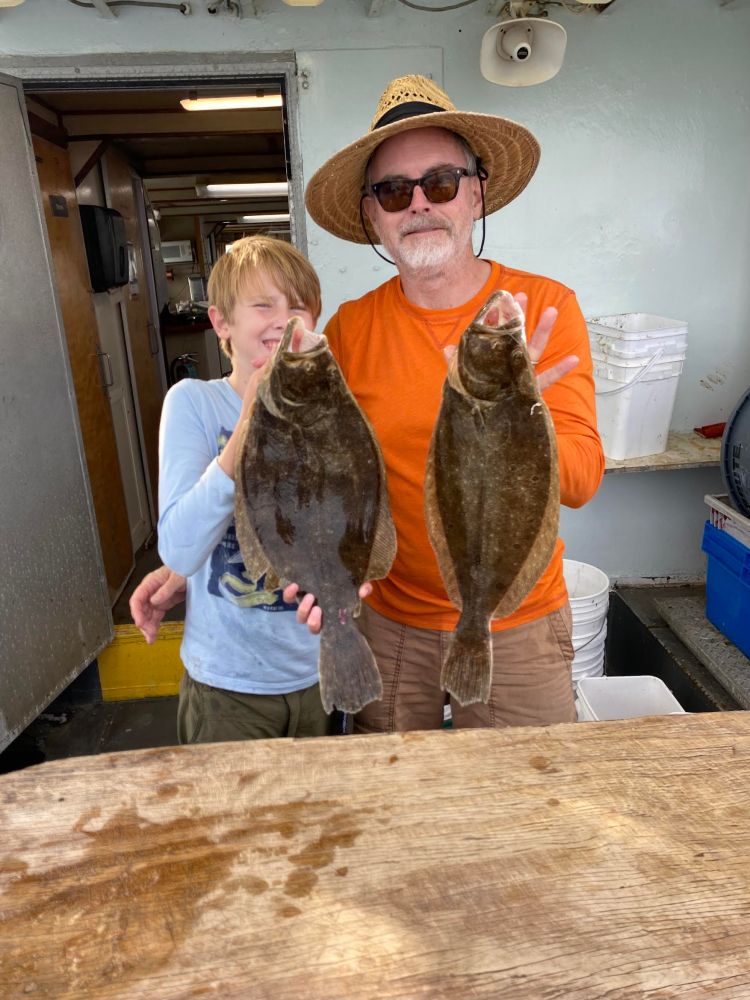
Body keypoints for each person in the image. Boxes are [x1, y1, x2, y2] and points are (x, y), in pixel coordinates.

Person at [133, 75, 604, 735]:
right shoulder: (350, 331)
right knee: (394, 821)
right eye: (393, 190)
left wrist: (515, 410)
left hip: (514, 624)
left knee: (525, 811)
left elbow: (580, 483)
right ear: (372, 214)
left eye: (440, 182)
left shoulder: (541, 312)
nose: (419, 204)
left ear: (476, 191)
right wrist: (193, 565)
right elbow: (307, 479)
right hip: (386, 623)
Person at [141, 235, 331, 744]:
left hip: (316, 673)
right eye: (262, 304)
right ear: (222, 322)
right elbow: (179, 548)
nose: (283, 319)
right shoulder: (195, 404)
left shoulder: (327, 411)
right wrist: (246, 429)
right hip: (227, 688)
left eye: (298, 306)